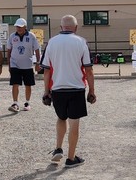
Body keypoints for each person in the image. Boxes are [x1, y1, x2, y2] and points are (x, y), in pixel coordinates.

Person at [40, 15, 96, 168]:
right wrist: (92, 91)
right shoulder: (81, 42)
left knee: (61, 118)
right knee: (74, 123)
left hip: (58, 88)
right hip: (76, 88)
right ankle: (71, 158)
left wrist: (46, 91)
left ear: (61, 27)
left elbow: (46, 71)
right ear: (76, 28)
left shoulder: (52, 42)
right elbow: (88, 70)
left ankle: (58, 148)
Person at [6, 18, 41, 112]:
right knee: (15, 84)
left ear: (25, 27)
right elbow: (9, 50)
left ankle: (27, 102)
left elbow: (37, 49)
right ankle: (15, 103)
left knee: (28, 85)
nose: (18, 28)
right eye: (17, 26)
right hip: (15, 64)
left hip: (28, 65)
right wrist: (9, 64)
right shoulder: (12, 36)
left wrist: (38, 63)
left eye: (20, 27)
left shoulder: (31, 36)